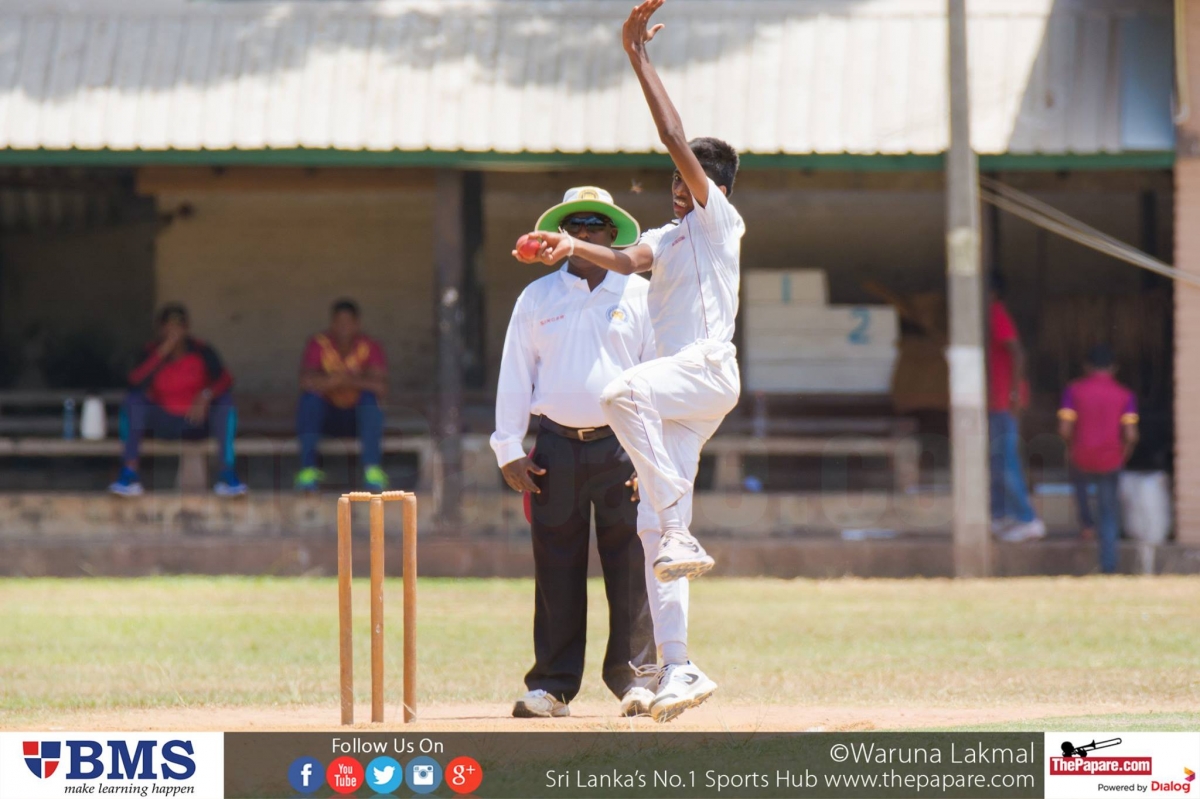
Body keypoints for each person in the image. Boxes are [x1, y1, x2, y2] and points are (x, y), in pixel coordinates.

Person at [512, 0, 740, 721]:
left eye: (687, 182)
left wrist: (638, 59)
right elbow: (624, 259)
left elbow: (672, 136)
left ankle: (678, 527)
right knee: (655, 541)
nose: (677, 193)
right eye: (673, 185)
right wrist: (569, 246)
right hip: (676, 398)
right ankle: (680, 666)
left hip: (705, 369)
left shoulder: (718, 222)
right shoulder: (665, 239)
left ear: (712, 188)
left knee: (618, 395)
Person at [495, 186, 660, 720]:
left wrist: (654, 458)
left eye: (595, 225)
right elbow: (516, 372)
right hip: (555, 449)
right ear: (560, 234)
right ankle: (552, 686)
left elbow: (658, 378)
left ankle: (636, 680)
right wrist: (508, 447)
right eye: (575, 226)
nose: (585, 233)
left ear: (613, 234)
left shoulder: (639, 294)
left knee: (631, 565)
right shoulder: (537, 296)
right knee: (556, 567)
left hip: (623, 447)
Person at [109, 303, 246, 497]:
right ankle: (129, 474)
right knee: (133, 401)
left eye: (179, 325)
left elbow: (226, 379)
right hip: (163, 422)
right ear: (160, 328)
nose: (174, 331)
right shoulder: (150, 351)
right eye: (169, 325)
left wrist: (206, 395)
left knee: (225, 402)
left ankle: (227, 474)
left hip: (195, 422)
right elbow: (134, 381)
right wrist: (163, 351)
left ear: (186, 327)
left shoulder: (201, 350)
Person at [1058, 345, 1139, 574]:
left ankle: (1086, 524)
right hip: (1111, 459)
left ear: (1087, 366)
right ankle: (1108, 565)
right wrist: (1125, 452)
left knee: (1081, 490)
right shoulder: (1125, 394)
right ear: (1114, 368)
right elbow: (1131, 434)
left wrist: (1071, 447)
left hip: (1081, 456)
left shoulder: (1073, 391)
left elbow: (1064, 429)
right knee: (1108, 511)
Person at [295, 299, 389, 492]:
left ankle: (372, 471)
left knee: (370, 400)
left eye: (348, 322)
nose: (343, 328)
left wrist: (346, 380)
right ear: (332, 323)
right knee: (310, 400)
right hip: (328, 419)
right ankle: (308, 470)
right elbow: (305, 382)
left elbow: (380, 387)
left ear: (357, 324)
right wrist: (332, 382)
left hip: (357, 420)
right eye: (338, 322)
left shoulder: (368, 346)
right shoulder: (320, 344)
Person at [988, 272, 1045, 542]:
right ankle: (1001, 516)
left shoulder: (996, 313)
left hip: (1004, 400)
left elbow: (1018, 353)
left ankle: (1027, 519)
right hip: (997, 400)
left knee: (1007, 460)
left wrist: (1013, 393)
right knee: (997, 460)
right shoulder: (988, 315)